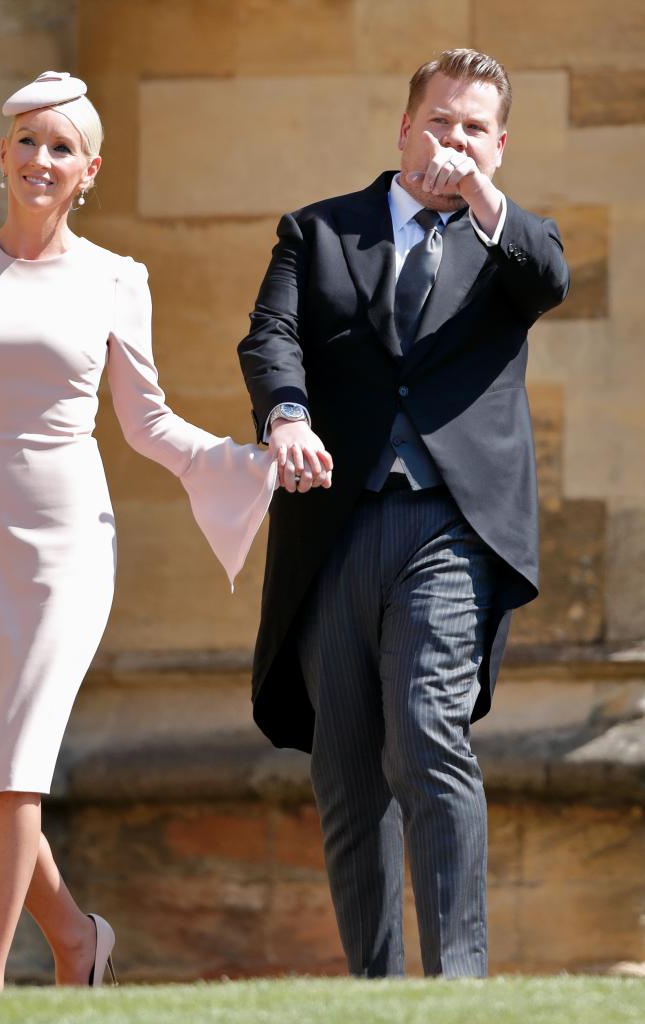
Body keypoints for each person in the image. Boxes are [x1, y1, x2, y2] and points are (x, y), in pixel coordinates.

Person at [0, 70, 284, 990]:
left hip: (67, 548)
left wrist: (250, 454)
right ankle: (78, 940)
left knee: (16, 764)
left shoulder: (119, 279)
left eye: (62, 148)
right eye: (29, 141)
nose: (42, 158)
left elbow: (148, 423)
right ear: (2, 155)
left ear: (90, 172)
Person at [237, 49, 569, 977]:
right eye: (439, 121)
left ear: (497, 146)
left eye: (473, 128)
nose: (453, 141)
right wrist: (287, 414)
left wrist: (484, 204)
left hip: (450, 528)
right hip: (335, 526)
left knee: (426, 730)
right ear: (403, 127)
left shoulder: (508, 242)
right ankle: (376, 991)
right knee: (345, 771)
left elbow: (548, 277)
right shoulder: (318, 230)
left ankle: (456, 984)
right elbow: (270, 336)